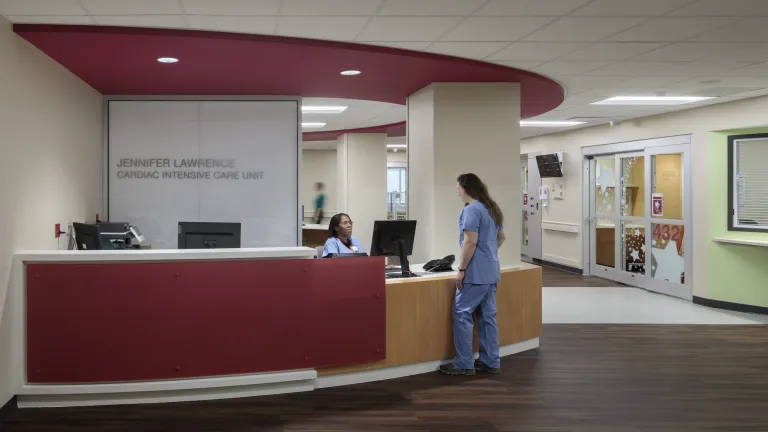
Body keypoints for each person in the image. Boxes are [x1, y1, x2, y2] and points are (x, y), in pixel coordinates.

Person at [439, 173, 506, 376]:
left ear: (465, 188)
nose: (457, 191)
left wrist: (461, 270)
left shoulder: (471, 209)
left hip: (475, 273)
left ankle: (464, 363)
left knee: (461, 313)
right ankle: (491, 361)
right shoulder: (491, 208)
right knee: (488, 317)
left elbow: (470, 242)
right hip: (491, 270)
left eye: (458, 187)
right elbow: (501, 237)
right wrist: (488, 255)